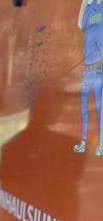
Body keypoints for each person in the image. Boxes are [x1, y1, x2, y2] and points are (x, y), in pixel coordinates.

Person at [74, 0, 103, 155]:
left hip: (99, 67)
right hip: (86, 67)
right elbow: (81, 25)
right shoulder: (89, 7)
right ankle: (83, 142)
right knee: (84, 105)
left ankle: (101, 144)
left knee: (99, 107)